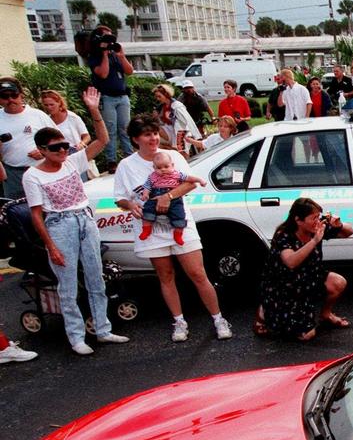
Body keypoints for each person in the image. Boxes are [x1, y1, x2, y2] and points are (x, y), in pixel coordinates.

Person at [23, 88, 131, 354]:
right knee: (68, 284)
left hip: (85, 220)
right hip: (59, 225)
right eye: (55, 148)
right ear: (41, 150)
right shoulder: (33, 176)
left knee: (96, 278)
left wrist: (94, 110)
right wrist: (52, 247)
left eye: (64, 146)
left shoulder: (72, 161)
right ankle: (76, 337)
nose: (62, 151)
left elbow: (103, 140)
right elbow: (37, 214)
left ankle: (103, 329)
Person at [113, 113, 232, 342]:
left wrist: (168, 196)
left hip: (180, 222)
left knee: (197, 273)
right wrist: (130, 205)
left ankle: (218, 318)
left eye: (155, 133)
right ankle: (179, 321)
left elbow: (189, 183)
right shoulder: (126, 166)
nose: (153, 139)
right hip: (152, 228)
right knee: (166, 275)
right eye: (148, 135)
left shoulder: (173, 156)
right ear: (136, 139)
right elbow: (120, 198)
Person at [255, 197, 353, 340]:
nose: (317, 221)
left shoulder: (316, 228)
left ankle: (326, 314)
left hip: (310, 278)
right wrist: (314, 241)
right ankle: (264, 311)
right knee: (306, 335)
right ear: (298, 220)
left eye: (318, 217)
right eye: (313, 218)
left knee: (338, 282)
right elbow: (291, 262)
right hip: (285, 286)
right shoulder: (283, 235)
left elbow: (349, 232)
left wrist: (339, 225)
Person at [81, 24, 133, 167]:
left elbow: (129, 71)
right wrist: (104, 54)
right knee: (110, 129)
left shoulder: (115, 55)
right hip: (107, 97)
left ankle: (130, 156)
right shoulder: (95, 57)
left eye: (111, 37)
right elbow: (103, 74)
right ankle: (112, 161)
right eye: (106, 37)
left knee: (125, 128)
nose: (109, 41)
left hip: (122, 96)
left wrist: (121, 56)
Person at [0, 77, 56, 200]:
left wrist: (44, 152)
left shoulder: (38, 115)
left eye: (14, 95)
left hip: (40, 170)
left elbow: (58, 140)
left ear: (21, 95)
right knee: (16, 212)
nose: (10, 100)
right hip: (12, 175)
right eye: (5, 96)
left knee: (48, 208)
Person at [135, 150, 201, 244]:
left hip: (175, 198)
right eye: (159, 167)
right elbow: (147, 186)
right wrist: (145, 194)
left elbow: (190, 179)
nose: (163, 169)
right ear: (154, 167)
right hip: (155, 196)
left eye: (166, 166)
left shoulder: (177, 174)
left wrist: (200, 180)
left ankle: (178, 235)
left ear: (172, 165)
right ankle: (146, 229)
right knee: (147, 211)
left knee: (179, 216)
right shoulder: (152, 176)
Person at [38, 89, 89, 180]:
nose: (49, 107)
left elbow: (86, 136)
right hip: (56, 155)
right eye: (46, 105)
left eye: (52, 104)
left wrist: (82, 144)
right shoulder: (45, 120)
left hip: (74, 152)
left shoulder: (72, 117)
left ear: (59, 103)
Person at [152, 83, 201, 154]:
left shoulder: (177, 106)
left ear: (166, 94)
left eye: (159, 96)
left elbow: (187, 121)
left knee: (182, 152)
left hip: (180, 131)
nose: (158, 99)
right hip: (169, 132)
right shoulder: (161, 107)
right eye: (156, 97)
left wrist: (195, 136)